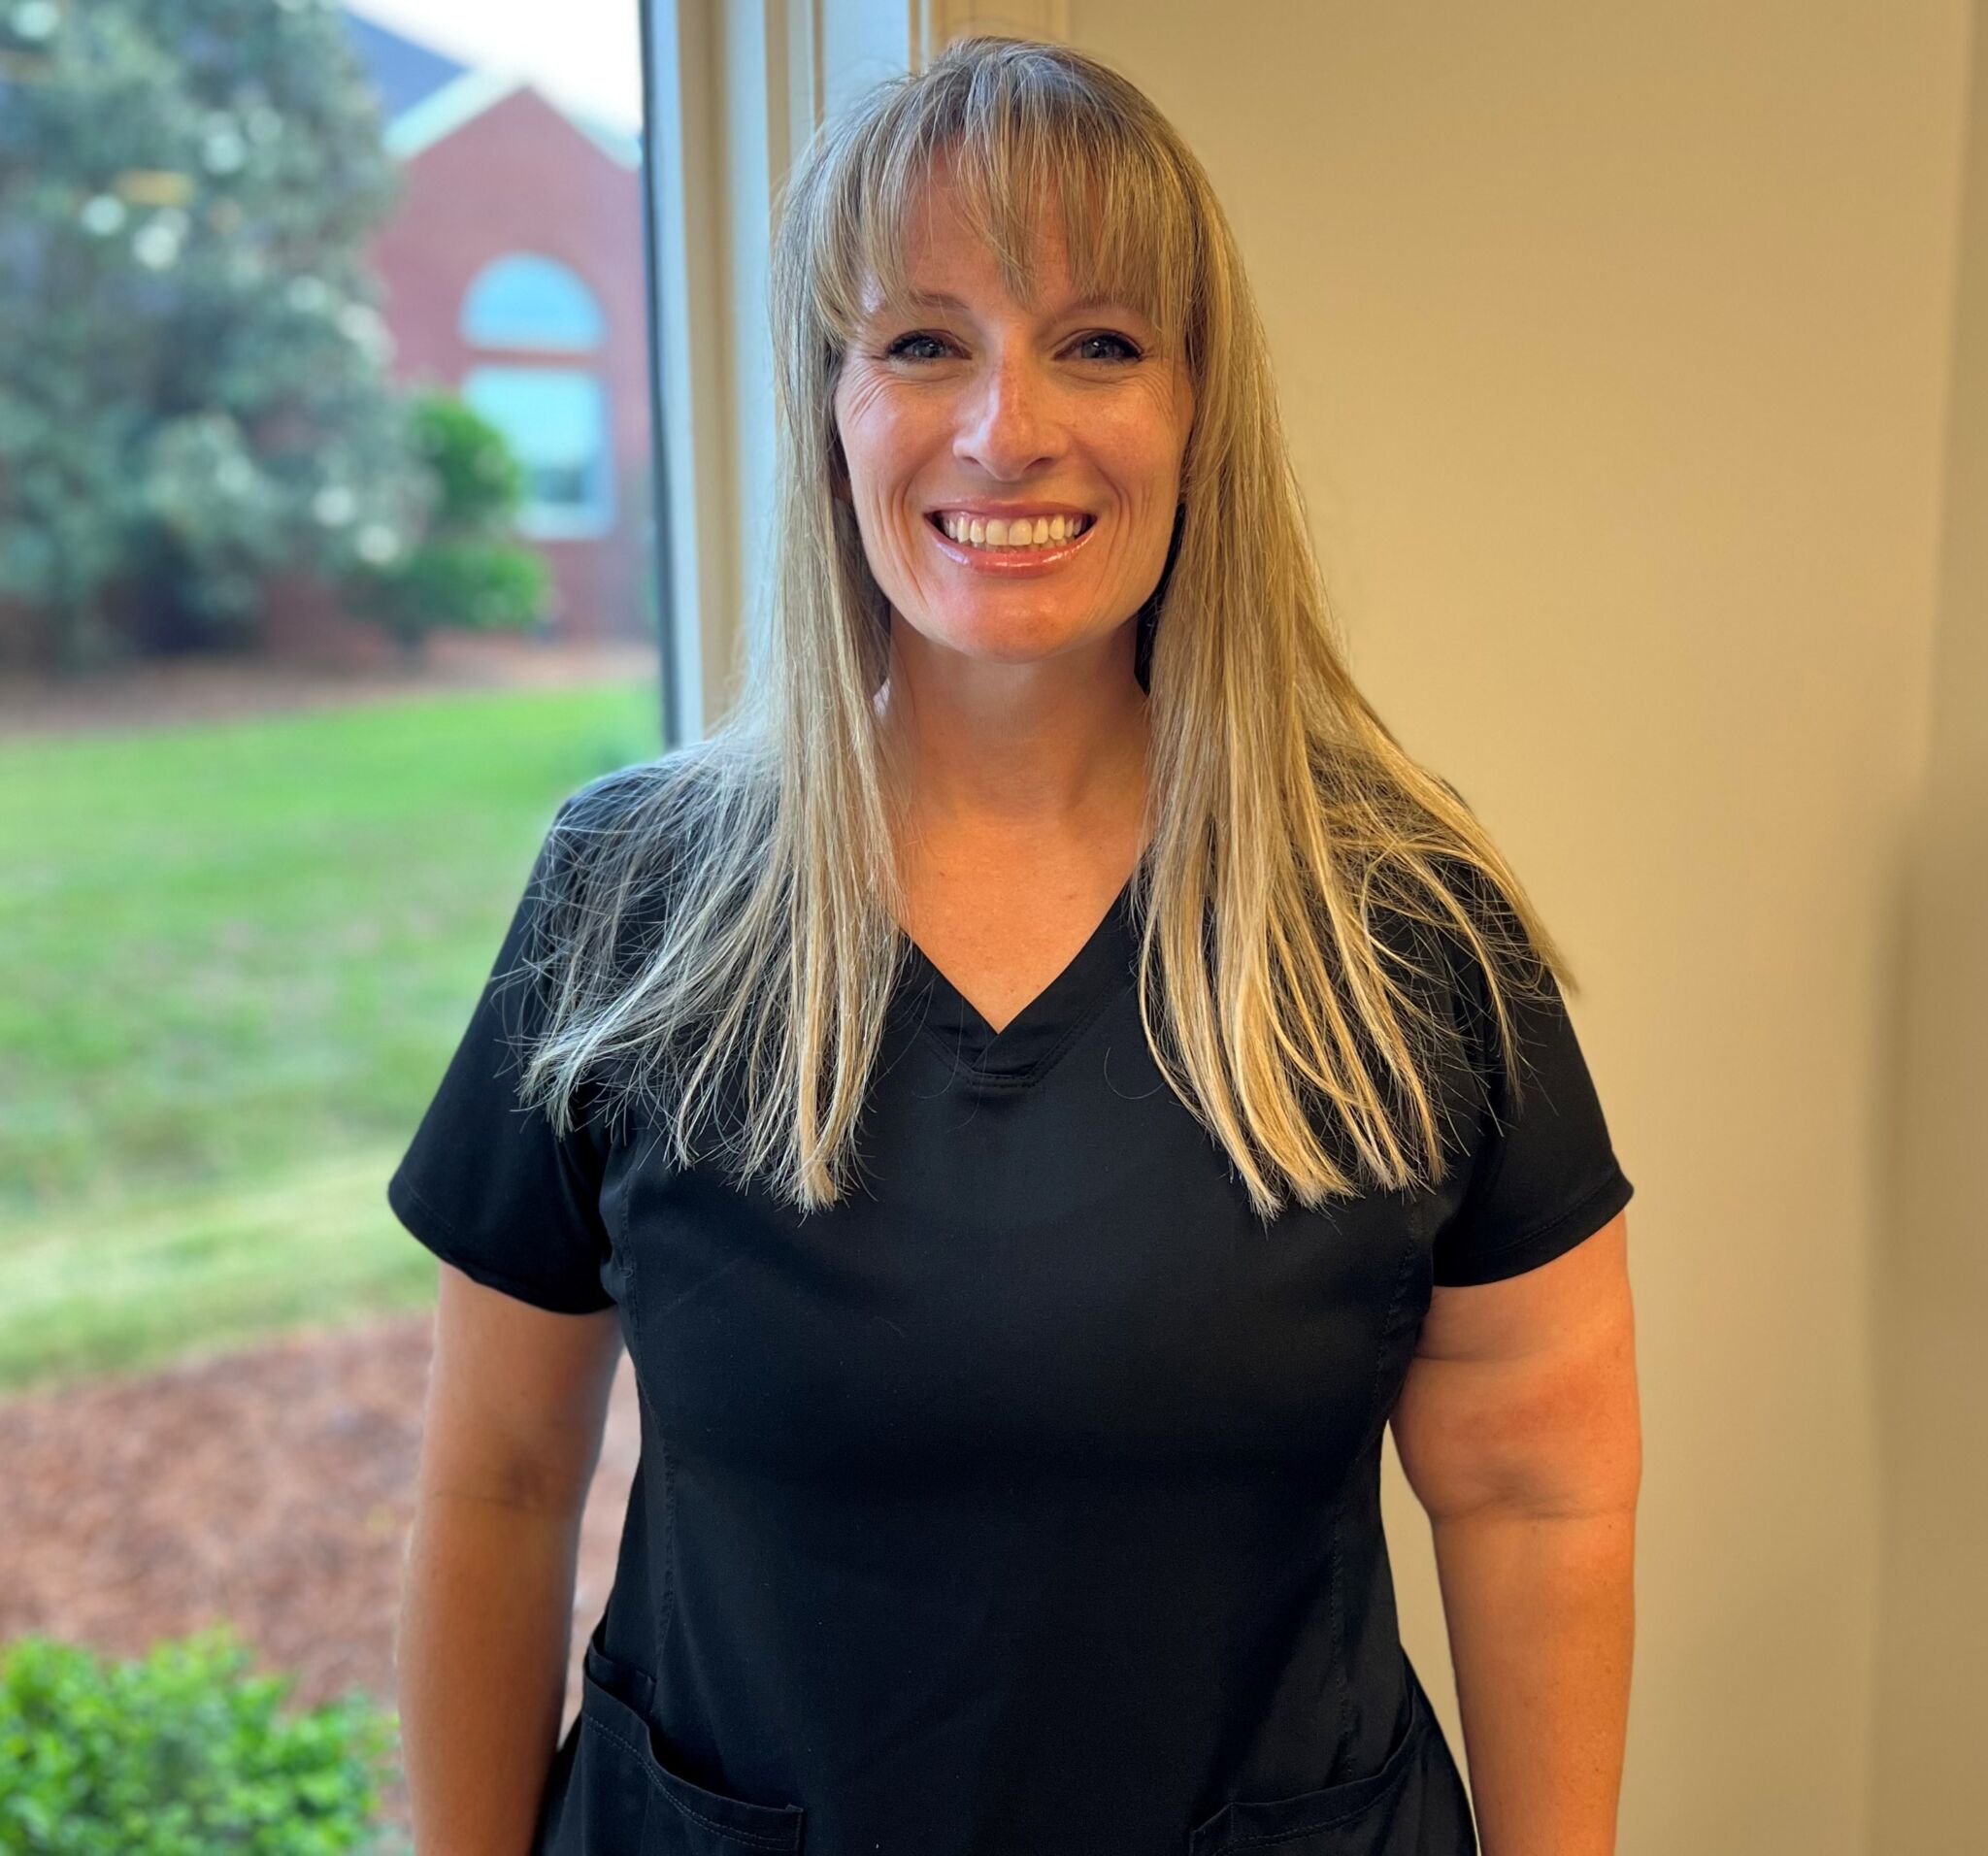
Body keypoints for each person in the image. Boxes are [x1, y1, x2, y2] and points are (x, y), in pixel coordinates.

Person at [388, 35, 1639, 1856]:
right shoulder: (626, 901)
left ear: (1200, 412)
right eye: (923, 343)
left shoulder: (1404, 918)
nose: (1005, 430)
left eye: (1099, 343)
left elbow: (1536, 1486)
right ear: (831, 405)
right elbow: (499, 1484)